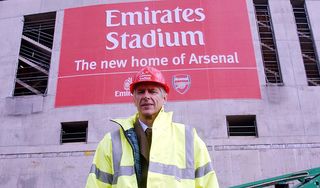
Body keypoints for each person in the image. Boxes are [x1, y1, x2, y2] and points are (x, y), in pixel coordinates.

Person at [86, 66, 219, 188]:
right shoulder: (111, 141)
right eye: (141, 92)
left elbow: (208, 183)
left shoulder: (189, 138)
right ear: (134, 99)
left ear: (165, 98)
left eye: (152, 91)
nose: (146, 96)